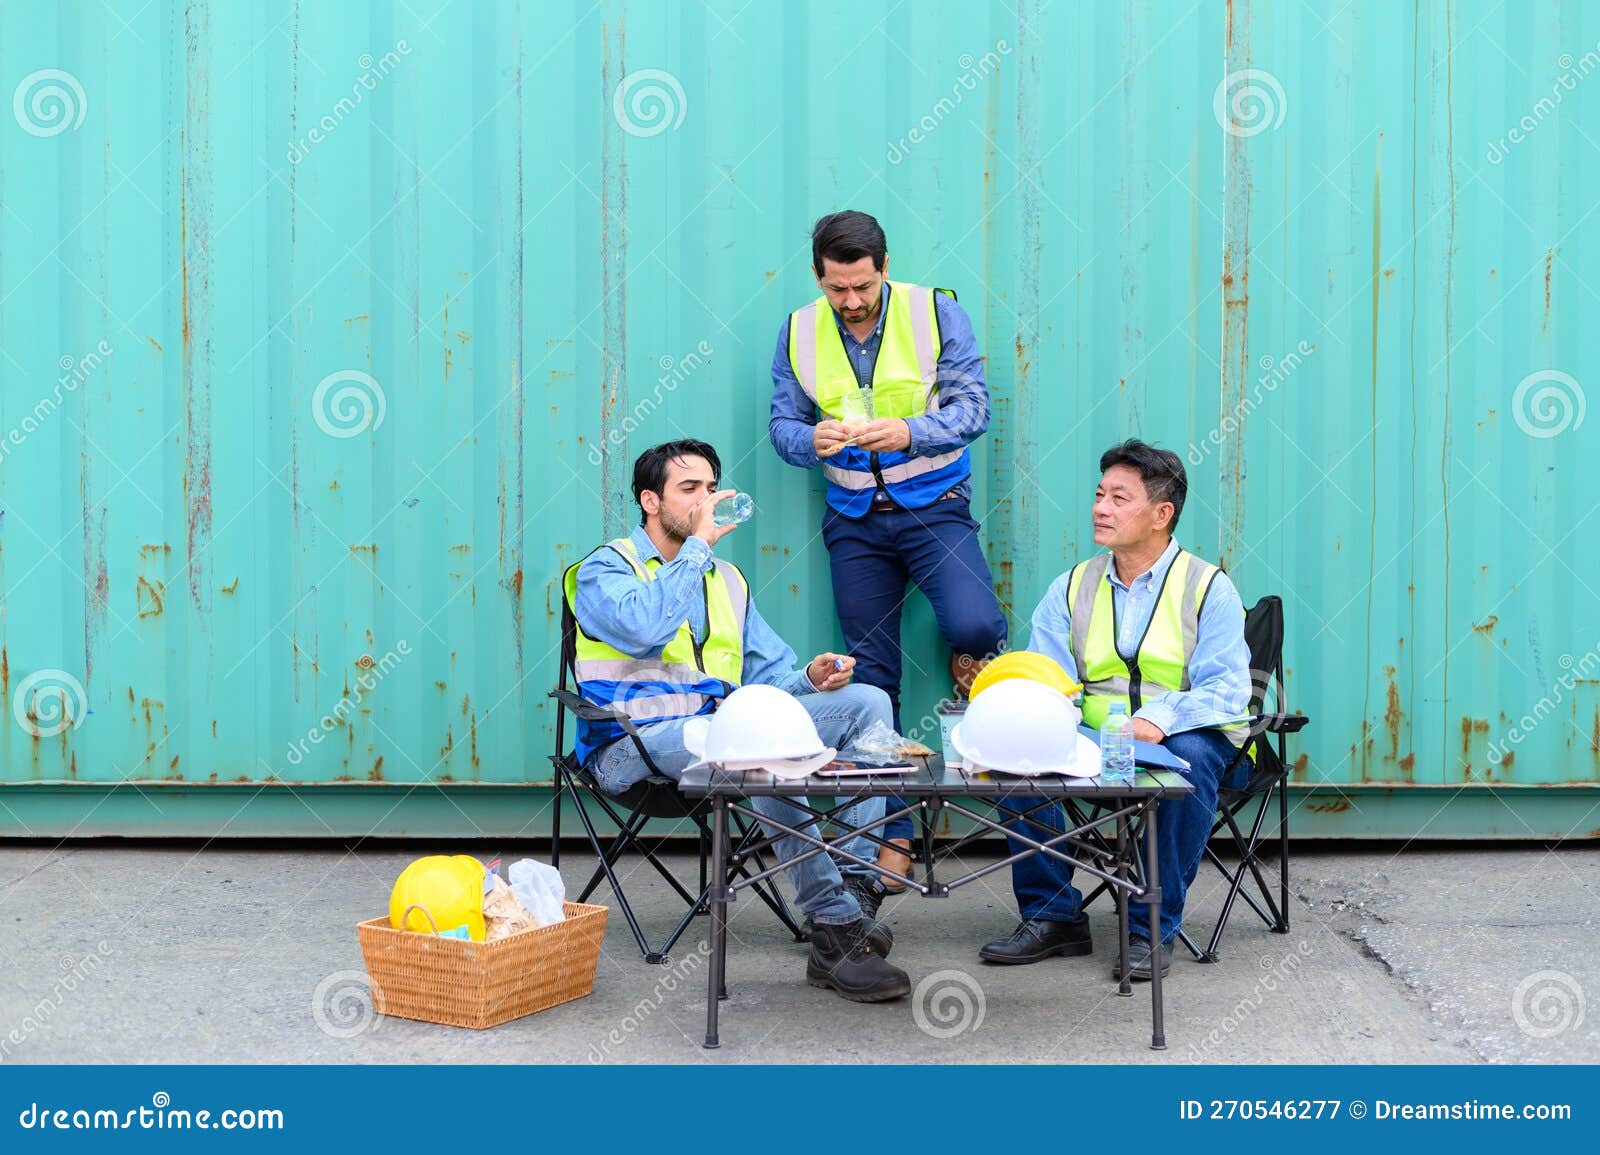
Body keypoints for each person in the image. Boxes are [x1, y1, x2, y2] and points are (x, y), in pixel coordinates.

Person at [572, 439, 911, 1002]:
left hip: (721, 734)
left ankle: (855, 889)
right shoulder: (605, 568)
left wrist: (810, 679)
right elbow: (644, 629)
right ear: (650, 501)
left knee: (868, 703)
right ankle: (833, 930)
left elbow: (768, 679)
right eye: (689, 489)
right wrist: (696, 550)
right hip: (629, 746)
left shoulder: (725, 579)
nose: (706, 501)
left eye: (711, 488)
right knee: (759, 746)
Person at [769, 210, 1008, 897]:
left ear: (884, 268)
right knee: (872, 683)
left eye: (863, 286)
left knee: (975, 626)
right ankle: (892, 836)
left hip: (934, 506)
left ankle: (970, 673)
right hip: (852, 519)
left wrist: (908, 430)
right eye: (836, 288)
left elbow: (974, 409)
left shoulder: (937, 312)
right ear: (818, 275)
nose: (850, 301)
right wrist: (806, 441)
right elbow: (782, 425)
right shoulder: (798, 330)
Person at [978, 440, 1252, 980]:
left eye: (1119, 498)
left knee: (1191, 755)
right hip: (1095, 741)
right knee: (1017, 749)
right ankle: (1052, 914)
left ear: (1161, 514)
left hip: (1189, 741)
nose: (1100, 508)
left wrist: (1159, 720)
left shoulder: (1208, 588)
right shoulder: (1071, 587)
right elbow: (1048, 682)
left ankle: (1151, 927)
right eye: (1099, 494)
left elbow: (1228, 690)